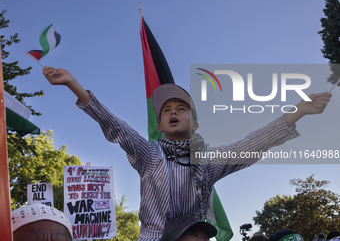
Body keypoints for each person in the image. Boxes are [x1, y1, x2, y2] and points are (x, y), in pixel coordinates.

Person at [43, 67, 331, 241]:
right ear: (160, 125)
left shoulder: (207, 162)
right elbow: (115, 125)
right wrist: (73, 84)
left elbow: (250, 145)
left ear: (194, 124)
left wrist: (299, 110)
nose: (172, 112)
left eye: (181, 108)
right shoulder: (149, 153)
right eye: (166, 110)